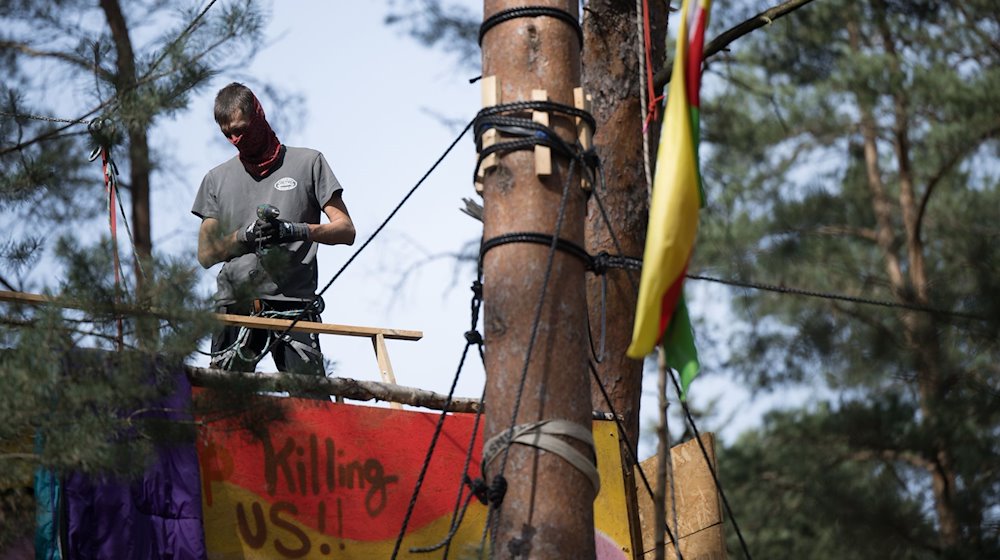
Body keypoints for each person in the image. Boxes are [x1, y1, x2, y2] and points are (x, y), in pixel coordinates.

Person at [192, 82, 356, 376]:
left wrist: (296, 230)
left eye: (241, 129)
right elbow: (205, 253)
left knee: (309, 402)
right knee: (224, 402)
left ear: (258, 115)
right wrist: (245, 236)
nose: (236, 139)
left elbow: (346, 230)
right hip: (234, 305)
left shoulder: (308, 163)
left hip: (293, 306)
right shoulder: (217, 179)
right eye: (228, 134)